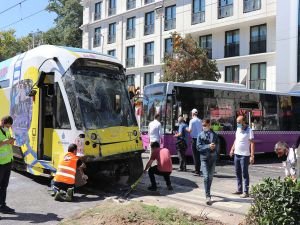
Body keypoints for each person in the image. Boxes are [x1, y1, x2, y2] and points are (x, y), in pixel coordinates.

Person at [230, 115, 255, 198]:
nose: (237, 124)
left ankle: (246, 192)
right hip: (237, 154)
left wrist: (252, 156)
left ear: (244, 121)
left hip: (244, 155)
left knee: (244, 174)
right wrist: (232, 149)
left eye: (239, 122)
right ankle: (239, 189)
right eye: (237, 122)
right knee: (237, 173)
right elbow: (236, 140)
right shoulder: (238, 129)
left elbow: (252, 143)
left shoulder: (249, 130)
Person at [197, 119, 219, 205]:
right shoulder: (200, 135)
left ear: (209, 125)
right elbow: (198, 147)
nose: (204, 127)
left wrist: (215, 148)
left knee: (210, 177)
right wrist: (208, 146)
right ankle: (208, 195)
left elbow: (218, 145)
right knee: (206, 177)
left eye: (205, 125)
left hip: (213, 159)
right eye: (203, 125)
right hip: (204, 158)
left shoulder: (215, 135)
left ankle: (208, 190)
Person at [0, 116, 15, 215]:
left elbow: (10, 144)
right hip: (0, 163)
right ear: (3, 123)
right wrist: (6, 141)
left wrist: (11, 141)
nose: (9, 128)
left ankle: (2, 205)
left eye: (10, 127)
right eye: (8, 126)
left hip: (8, 162)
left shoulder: (8, 131)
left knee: (4, 186)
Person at [186, 108, 202, 175]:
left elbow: (189, 130)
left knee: (195, 156)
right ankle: (199, 169)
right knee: (198, 155)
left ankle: (197, 171)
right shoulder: (200, 120)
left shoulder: (192, 121)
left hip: (194, 139)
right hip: (200, 139)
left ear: (192, 113)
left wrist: (186, 128)